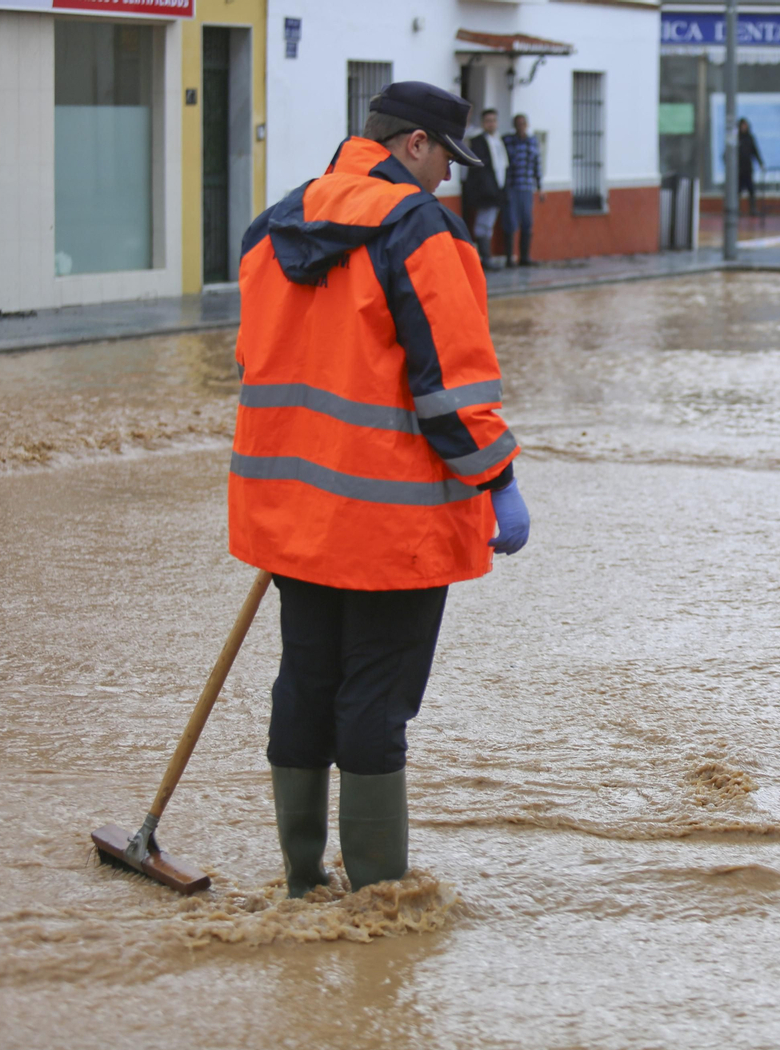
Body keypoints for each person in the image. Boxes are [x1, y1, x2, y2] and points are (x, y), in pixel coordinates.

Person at [230, 81, 531, 897]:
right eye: (443, 159)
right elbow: (451, 386)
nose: (445, 179)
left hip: (294, 510)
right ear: (413, 146)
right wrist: (498, 479)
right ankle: (376, 899)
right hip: (392, 520)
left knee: (307, 679)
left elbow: (256, 362)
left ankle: (301, 877)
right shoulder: (419, 230)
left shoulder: (277, 225)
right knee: (375, 695)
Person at [461, 108, 507, 265]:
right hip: (486, 191)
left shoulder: (499, 141)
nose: (491, 124)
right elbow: (479, 168)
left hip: (498, 189)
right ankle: (485, 258)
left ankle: (487, 258)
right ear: (483, 123)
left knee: (489, 224)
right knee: (483, 224)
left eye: (493, 120)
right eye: (488, 121)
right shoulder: (478, 141)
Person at [503, 113, 545, 267]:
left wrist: (540, 187)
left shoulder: (533, 142)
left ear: (527, 125)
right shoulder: (508, 141)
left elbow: (537, 165)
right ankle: (509, 257)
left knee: (527, 222)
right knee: (510, 222)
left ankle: (525, 257)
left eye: (523, 124)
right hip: (512, 187)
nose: (520, 126)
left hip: (527, 187)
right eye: (517, 124)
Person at [737, 117, 766, 220]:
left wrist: (760, 163)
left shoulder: (750, 138)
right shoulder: (736, 138)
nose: (744, 127)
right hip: (738, 170)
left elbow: (755, 151)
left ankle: (752, 209)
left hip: (747, 169)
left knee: (751, 190)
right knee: (737, 191)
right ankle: (736, 210)